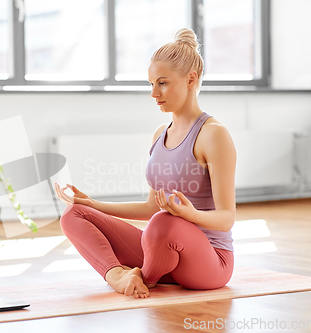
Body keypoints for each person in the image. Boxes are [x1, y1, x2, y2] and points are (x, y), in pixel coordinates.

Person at [54, 28, 236, 299]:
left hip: (209, 261)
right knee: (73, 214)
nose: (154, 93)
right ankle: (117, 275)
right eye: (151, 84)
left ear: (191, 79)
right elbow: (151, 207)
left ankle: (145, 277)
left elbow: (226, 218)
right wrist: (93, 204)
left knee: (163, 222)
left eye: (162, 83)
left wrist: (186, 214)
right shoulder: (160, 134)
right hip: (163, 249)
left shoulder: (213, 134)